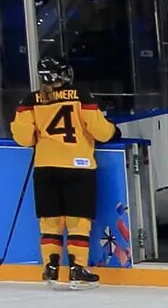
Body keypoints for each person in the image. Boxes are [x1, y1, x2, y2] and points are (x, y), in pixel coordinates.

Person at [7, 56, 118, 285]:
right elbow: (100, 130)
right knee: (78, 221)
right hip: (78, 167)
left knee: (50, 221)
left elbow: (24, 138)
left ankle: (51, 267)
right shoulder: (80, 95)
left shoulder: (31, 100)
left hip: (45, 167)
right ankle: (78, 269)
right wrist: (113, 131)